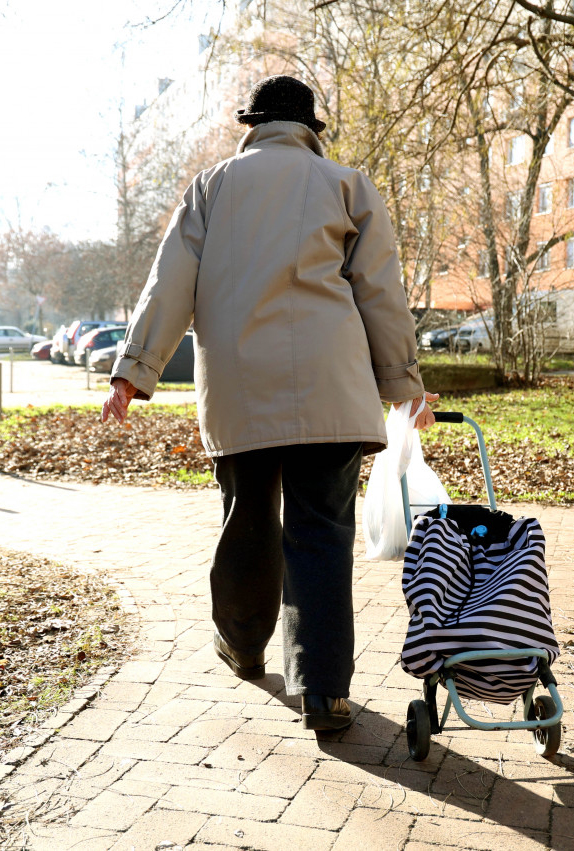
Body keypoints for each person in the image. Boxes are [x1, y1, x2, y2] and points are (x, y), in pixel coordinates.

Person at [101, 74, 435, 731]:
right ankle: (324, 690)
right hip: (333, 391)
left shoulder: (211, 187)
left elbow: (169, 281)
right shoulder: (347, 184)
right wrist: (403, 388)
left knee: (247, 524)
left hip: (239, 388)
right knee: (321, 533)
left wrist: (132, 371)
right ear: (311, 129)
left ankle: (245, 645)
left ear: (250, 124)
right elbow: (380, 291)